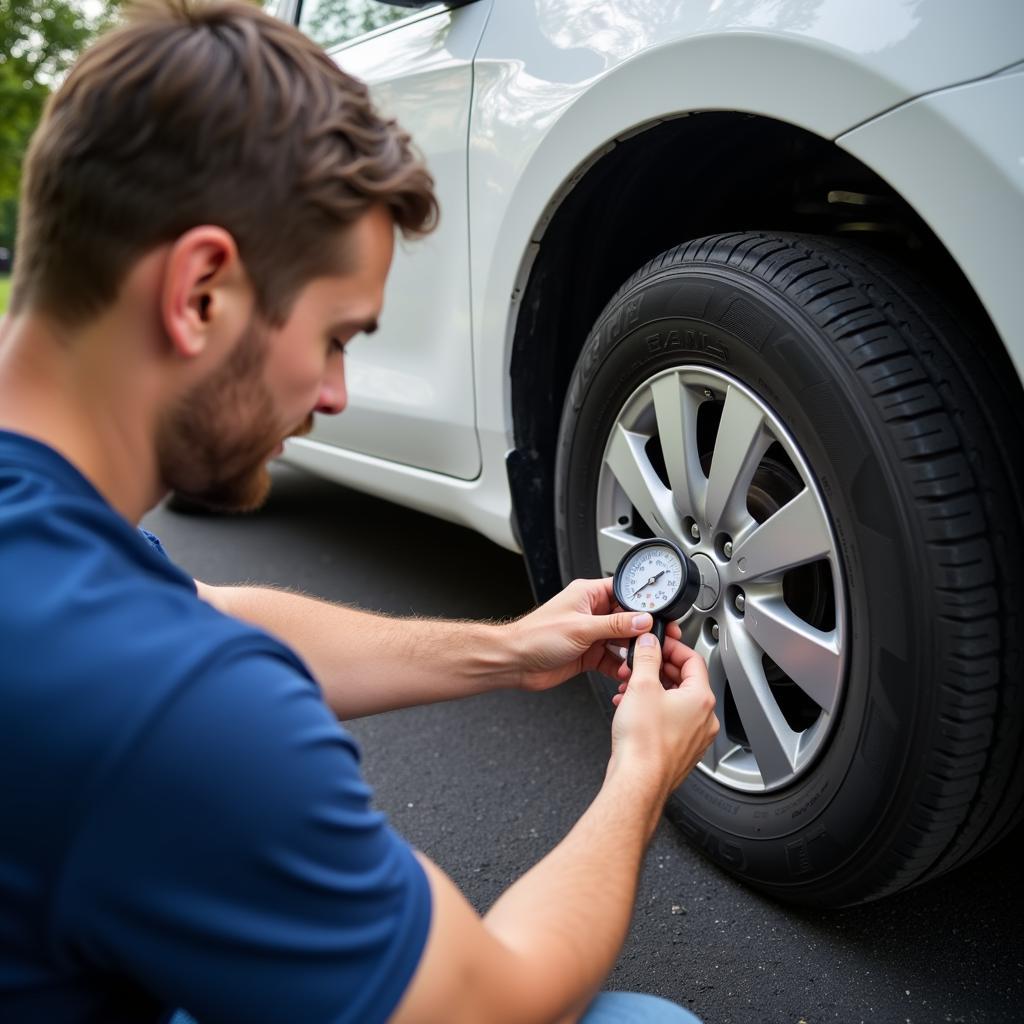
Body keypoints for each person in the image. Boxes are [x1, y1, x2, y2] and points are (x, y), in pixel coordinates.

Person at [0, 1, 720, 1022]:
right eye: (339, 335)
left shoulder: (61, 561)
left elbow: (201, 607)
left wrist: (508, 647)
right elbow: (490, 1002)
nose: (335, 392)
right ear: (203, 291)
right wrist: (641, 773)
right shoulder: (165, 705)